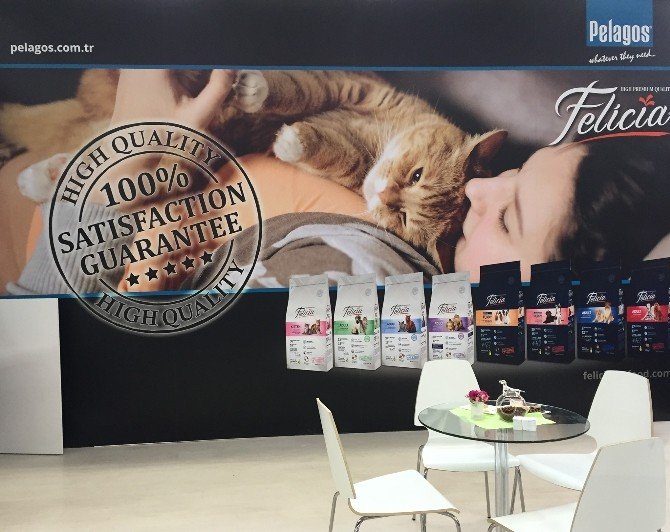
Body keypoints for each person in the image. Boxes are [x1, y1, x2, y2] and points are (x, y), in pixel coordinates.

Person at [3, 70, 670, 290]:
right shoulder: (423, 244)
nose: (476, 189)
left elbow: (65, 349)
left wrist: (129, 154)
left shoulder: (364, 286)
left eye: (508, 218)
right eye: (513, 173)